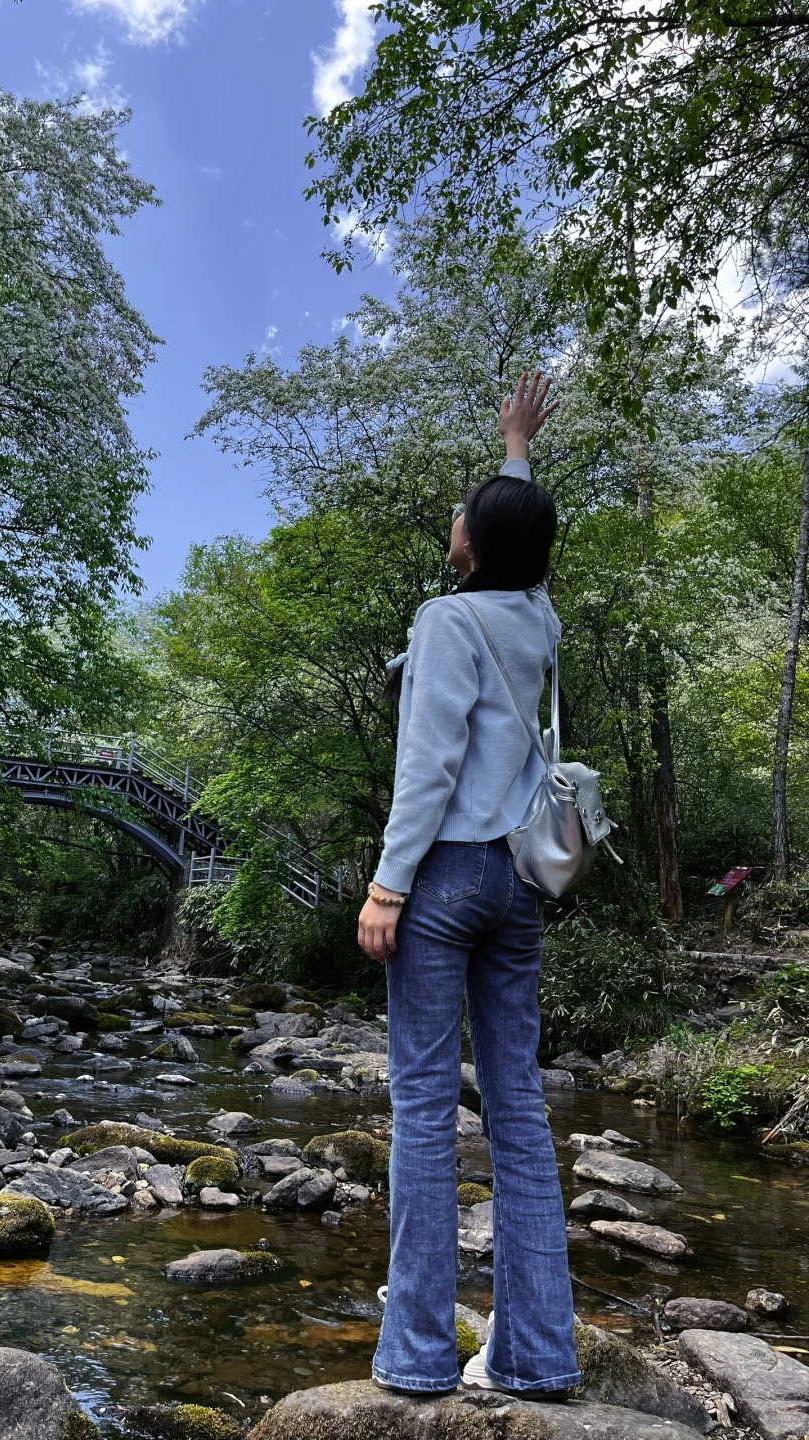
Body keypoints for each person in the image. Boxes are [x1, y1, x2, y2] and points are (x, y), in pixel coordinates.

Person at [358, 371, 580, 1400]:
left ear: (476, 545)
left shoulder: (447, 622)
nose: (454, 519)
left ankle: (415, 1357)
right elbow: (524, 534)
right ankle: (537, 1357)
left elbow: (429, 766)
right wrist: (516, 448)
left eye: (465, 512)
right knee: (518, 1110)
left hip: (444, 875)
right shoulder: (538, 619)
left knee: (422, 1109)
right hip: (518, 886)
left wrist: (387, 887)